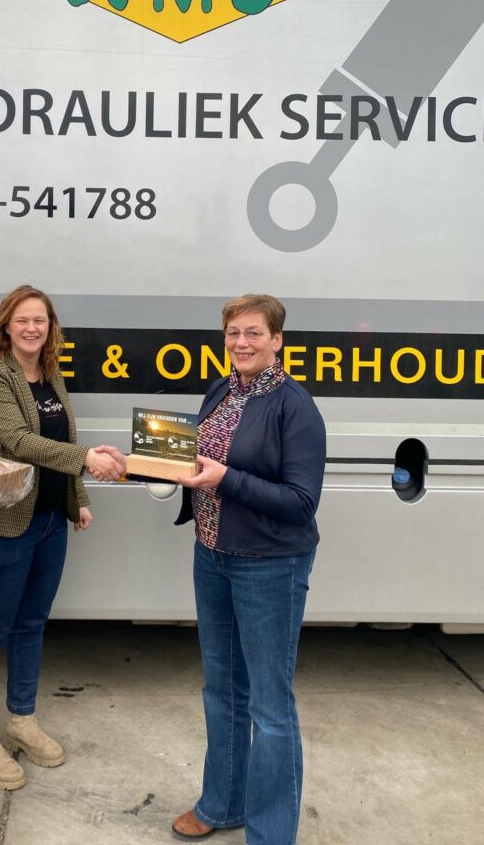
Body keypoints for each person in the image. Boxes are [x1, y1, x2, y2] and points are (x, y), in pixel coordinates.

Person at [171, 294, 325, 845]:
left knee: (270, 706)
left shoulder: (295, 406)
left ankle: (271, 833)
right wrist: (149, 467)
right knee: (222, 689)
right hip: (212, 555)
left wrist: (225, 479)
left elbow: (301, 502)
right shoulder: (222, 390)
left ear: (277, 339)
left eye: (254, 333)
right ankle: (223, 803)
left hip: (269, 566)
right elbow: (197, 461)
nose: (242, 342)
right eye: (233, 333)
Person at [0, 285, 125, 790]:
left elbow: (63, 440)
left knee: (31, 625)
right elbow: (17, 441)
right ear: (5, 326)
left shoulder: (50, 373)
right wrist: (86, 461)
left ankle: (22, 721)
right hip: (5, 523)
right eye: (23, 320)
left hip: (51, 519)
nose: (32, 328)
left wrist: (78, 498)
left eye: (41, 320)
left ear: (51, 327)